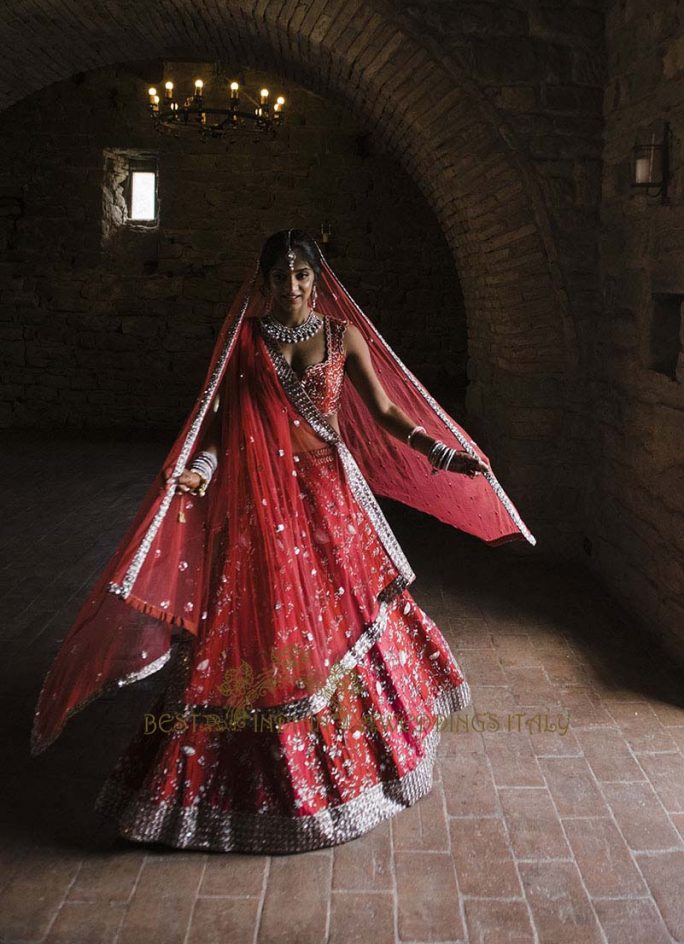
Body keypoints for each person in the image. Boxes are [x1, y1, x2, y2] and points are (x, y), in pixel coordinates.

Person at [31, 229, 535, 854]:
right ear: (263, 282)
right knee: (264, 627)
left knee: (343, 616)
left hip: (331, 503)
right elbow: (218, 426)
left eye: (301, 275)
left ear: (318, 279)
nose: (291, 286)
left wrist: (444, 455)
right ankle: (228, 785)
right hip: (260, 507)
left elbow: (382, 412)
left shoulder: (342, 336)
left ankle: (366, 756)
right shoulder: (244, 343)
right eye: (280, 276)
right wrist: (204, 470)